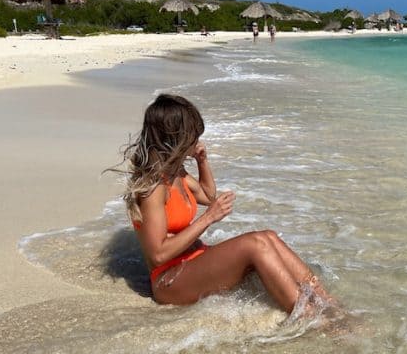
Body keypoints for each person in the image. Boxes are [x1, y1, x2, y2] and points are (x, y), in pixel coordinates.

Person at [116, 94, 332, 314]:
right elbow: (158, 255)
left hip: (193, 262)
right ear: (176, 139)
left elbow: (208, 196)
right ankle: (309, 316)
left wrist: (202, 161)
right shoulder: (153, 188)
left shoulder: (176, 173)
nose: (197, 142)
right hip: (169, 281)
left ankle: (329, 304)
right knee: (255, 244)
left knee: (268, 237)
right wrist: (208, 218)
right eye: (193, 137)